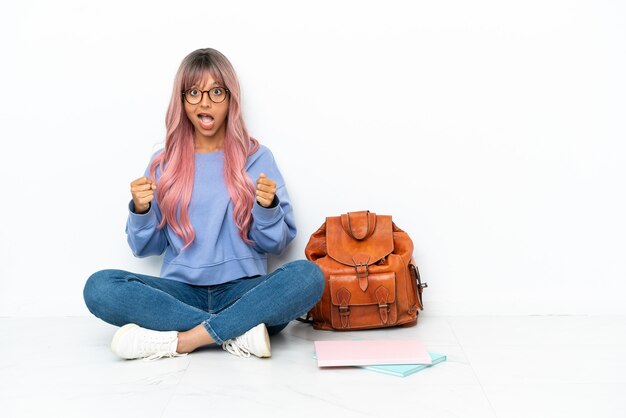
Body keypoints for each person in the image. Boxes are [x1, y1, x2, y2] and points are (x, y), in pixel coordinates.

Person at [83, 48, 324, 361]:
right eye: (194, 92)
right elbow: (145, 249)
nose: (205, 102)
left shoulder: (257, 158)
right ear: (182, 100)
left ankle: (184, 341)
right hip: (180, 296)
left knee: (308, 277)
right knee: (99, 287)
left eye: (216, 92)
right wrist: (141, 212)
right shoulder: (163, 164)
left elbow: (276, 244)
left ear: (230, 99)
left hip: (244, 293)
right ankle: (237, 332)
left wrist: (267, 208)